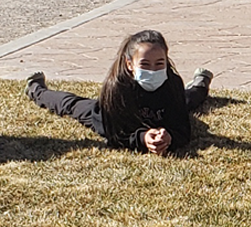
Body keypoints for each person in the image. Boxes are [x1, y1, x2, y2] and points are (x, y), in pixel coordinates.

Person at [24, 31, 214, 157]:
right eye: (145, 65)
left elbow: (183, 128)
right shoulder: (116, 87)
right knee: (72, 105)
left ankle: (201, 83)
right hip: (111, 117)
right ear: (129, 64)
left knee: (188, 98)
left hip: (160, 116)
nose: (153, 70)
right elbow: (116, 135)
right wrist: (143, 139)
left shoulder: (172, 83)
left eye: (159, 64)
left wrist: (171, 137)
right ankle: (37, 90)